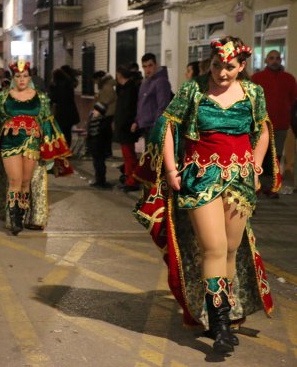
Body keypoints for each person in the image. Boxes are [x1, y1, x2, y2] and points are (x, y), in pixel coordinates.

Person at [133, 37, 279, 354]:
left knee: (229, 249)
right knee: (213, 248)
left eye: (229, 67)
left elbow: (263, 129)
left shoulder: (254, 93)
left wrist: (255, 166)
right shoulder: (194, 89)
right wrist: (171, 170)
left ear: (241, 66)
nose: (221, 73)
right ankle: (220, 325)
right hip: (201, 177)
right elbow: (168, 124)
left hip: (239, 179)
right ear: (209, 62)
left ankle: (221, 317)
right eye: (216, 65)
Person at [0, 59, 73, 235]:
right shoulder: (2, 96)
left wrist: (51, 144)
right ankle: (14, 220)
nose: (21, 79)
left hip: (32, 143)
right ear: (13, 77)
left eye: (25, 76)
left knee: (26, 182)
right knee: (15, 181)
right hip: (10, 143)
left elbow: (47, 121)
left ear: (30, 78)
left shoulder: (40, 97)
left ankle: (22, 214)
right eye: (18, 76)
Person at [251, 50, 297, 196]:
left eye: (277, 58)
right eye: (271, 58)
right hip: (261, 125)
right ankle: (257, 185)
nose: (275, 61)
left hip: (282, 124)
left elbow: (294, 100)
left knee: (276, 156)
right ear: (266, 61)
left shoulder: (289, 78)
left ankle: (272, 186)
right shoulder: (257, 78)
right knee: (261, 155)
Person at [113, 65, 140, 192]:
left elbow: (127, 110)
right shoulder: (125, 89)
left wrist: (121, 125)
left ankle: (132, 181)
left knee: (129, 156)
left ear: (119, 75)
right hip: (125, 127)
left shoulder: (129, 90)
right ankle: (130, 178)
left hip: (126, 128)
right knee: (128, 156)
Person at [132, 53, 172, 137]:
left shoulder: (161, 81)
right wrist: (137, 121)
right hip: (144, 126)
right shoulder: (145, 83)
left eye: (150, 65)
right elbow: (141, 104)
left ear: (156, 65)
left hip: (153, 126)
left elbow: (163, 105)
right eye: (144, 66)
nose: (147, 69)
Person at [50, 67, 79, 147]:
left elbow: (53, 98)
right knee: (67, 132)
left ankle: (61, 149)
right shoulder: (69, 84)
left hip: (61, 112)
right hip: (70, 112)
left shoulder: (56, 85)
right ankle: (67, 149)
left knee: (59, 132)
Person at [86, 102, 111, 188]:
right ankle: (98, 180)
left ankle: (101, 181)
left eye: (96, 110)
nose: (93, 112)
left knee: (100, 164)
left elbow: (107, 136)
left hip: (100, 147)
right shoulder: (92, 120)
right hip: (94, 147)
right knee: (96, 164)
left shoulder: (104, 122)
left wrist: (107, 149)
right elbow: (89, 134)